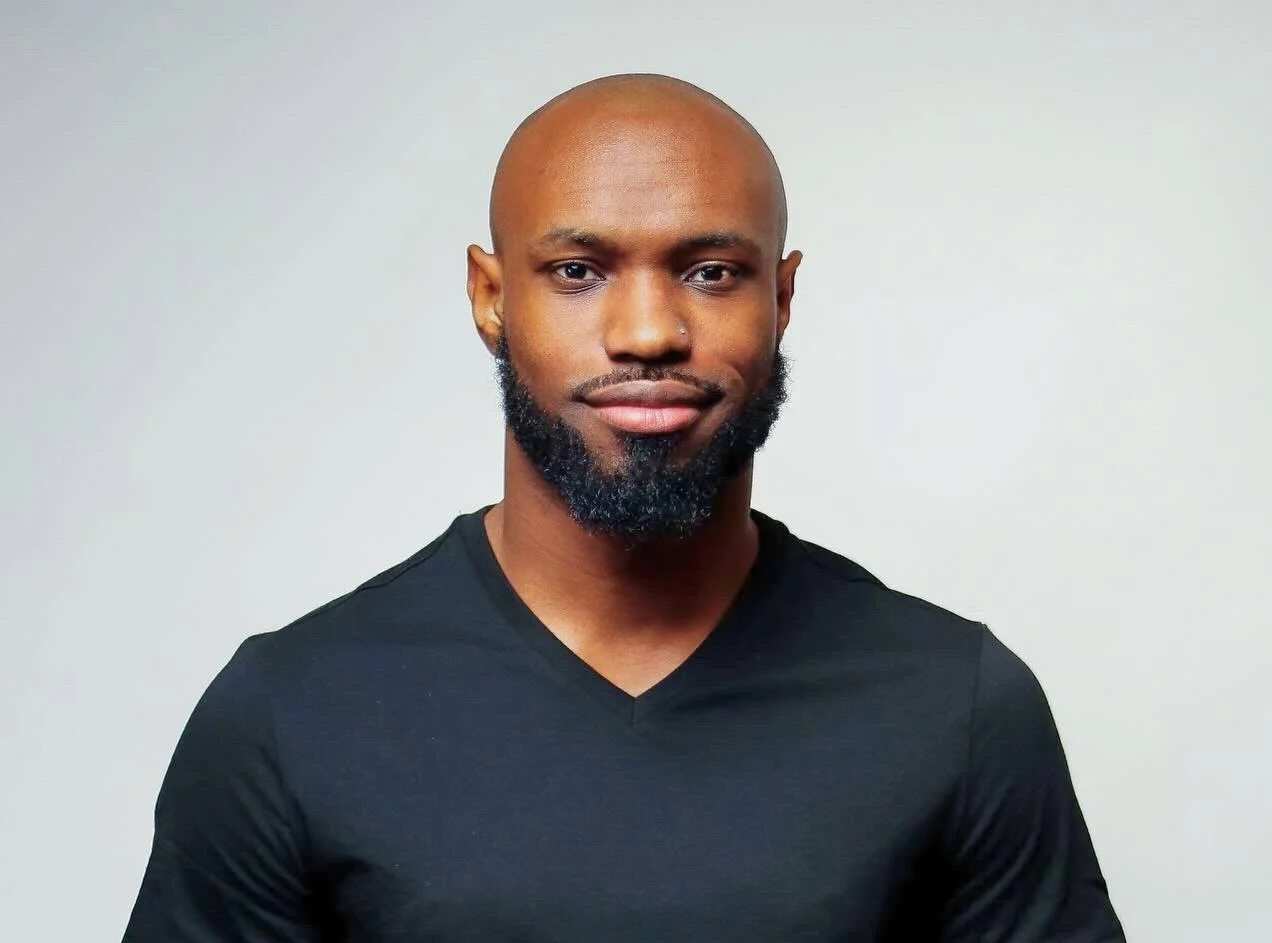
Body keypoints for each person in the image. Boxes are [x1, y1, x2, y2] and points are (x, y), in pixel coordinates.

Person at [122, 73, 1125, 941]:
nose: (648, 330)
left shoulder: (955, 706)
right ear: (490, 296)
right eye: (577, 271)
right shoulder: (291, 714)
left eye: (711, 271)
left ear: (781, 298)